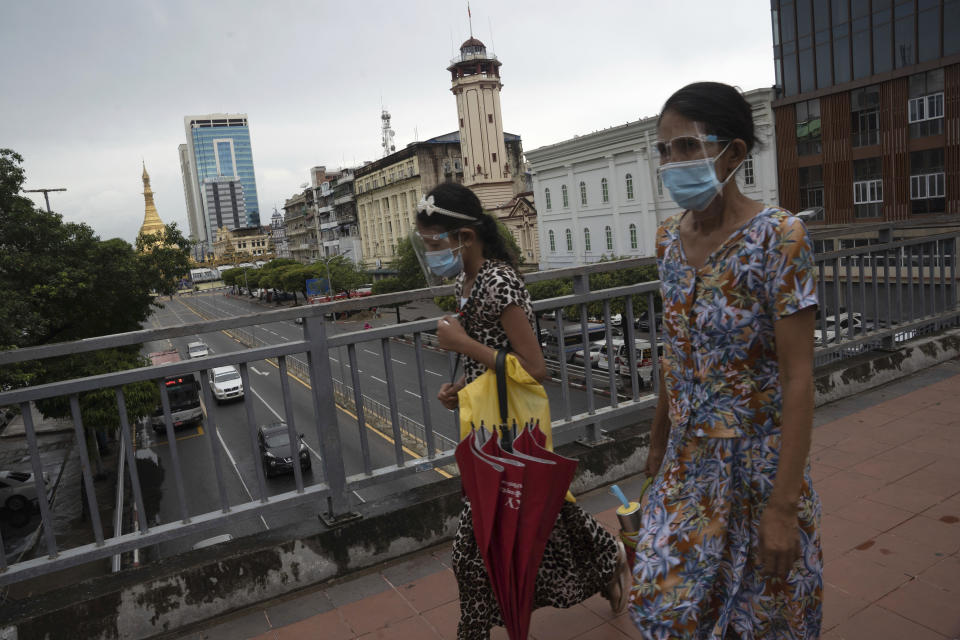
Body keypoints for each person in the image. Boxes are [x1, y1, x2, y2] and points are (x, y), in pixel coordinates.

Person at [629, 82, 822, 638]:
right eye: (664, 150)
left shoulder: (780, 238)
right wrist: (660, 439)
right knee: (663, 607)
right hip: (689, 466)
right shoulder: (668, 241)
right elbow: (674, 347)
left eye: (687, 146)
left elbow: (798, 376)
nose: (672, 163)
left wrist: (783, 506)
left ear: (733, 154)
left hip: (761, 467)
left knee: (764, 618)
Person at [417, 182, 630, 639]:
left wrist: (462, 342)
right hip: (486, 424)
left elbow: (534, 368)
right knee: (546, 519)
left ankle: (475, 630)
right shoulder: (466, 280)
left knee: (477, 545)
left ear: (465, 238)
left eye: (435, 242)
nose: (431, 252)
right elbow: (490, 356)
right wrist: (460, 386)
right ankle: (609, 558)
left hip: (511, 430)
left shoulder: (498, 282)